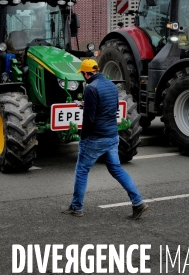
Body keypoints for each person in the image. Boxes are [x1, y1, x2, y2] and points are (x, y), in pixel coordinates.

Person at [61, 59, 148, 219]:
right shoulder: (111, 86)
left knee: (81, 171)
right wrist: (86, 104)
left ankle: (76, 207)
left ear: (87, 74)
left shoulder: (91, 88)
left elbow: (89, 119)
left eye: (82, 74)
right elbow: (112, 108)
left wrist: (83, 137)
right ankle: (138, 202)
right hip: (112, 136)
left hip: (95, 137)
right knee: (117, 169)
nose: (83, 76)